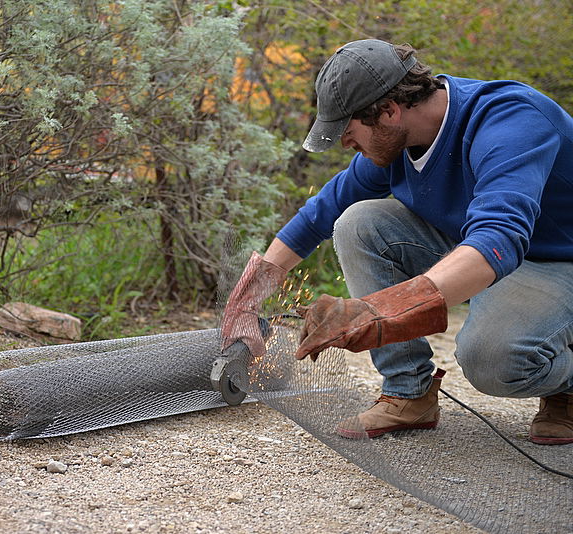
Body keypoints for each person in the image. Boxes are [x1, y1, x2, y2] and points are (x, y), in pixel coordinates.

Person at [220, 39, 573, 444]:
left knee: (493, 361)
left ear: (389, 110)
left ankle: (566, 385)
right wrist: (247, 301)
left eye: (349, 131)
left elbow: (499, 240)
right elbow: (322, 211)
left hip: (556, 260)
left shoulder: (510, 122)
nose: (346, 144)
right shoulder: (399, 142)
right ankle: (409, 393)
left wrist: (380, 311)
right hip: (488, 251)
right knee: (358, 221)